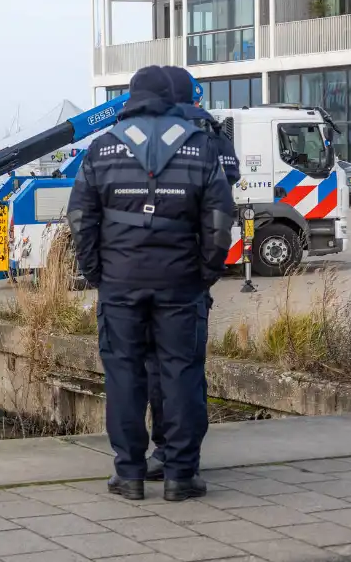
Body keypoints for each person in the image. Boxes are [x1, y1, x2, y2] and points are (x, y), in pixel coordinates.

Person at [66, 65, 234, 502]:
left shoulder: (102, 149)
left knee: (123, 374)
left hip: (120, 283)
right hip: (181, 283)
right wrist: (206, 271)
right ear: (170, 98)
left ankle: (130, 474)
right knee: (180, 372)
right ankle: (180, 475)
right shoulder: (199, 146)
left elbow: (81, 218)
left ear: (132, 98)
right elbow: (218, 219)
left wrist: (95, 272)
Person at [143, 89, 241, 482]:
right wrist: (207, 271)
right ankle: (184, 458)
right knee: (186, 369)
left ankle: (161, 449)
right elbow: (224, 196)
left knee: (152, 368)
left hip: (145, 270)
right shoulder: (210, 131)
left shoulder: (141, 133)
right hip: (189, 274)